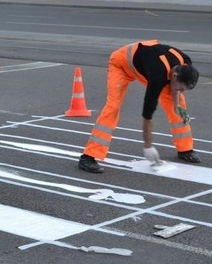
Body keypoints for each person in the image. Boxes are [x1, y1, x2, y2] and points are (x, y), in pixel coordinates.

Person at [78, 39, 200, 174]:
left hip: (145, 65)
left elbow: (175, 89)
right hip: (121, 65)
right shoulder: (157, 75)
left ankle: (185, 149)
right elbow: (147, 115)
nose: (181, 91)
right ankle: (88, 157)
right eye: (181, 88)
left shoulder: (185, 62)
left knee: (180, 105)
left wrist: (178, 108)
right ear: (174, 76)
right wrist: (148, 147)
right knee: (113, 107)